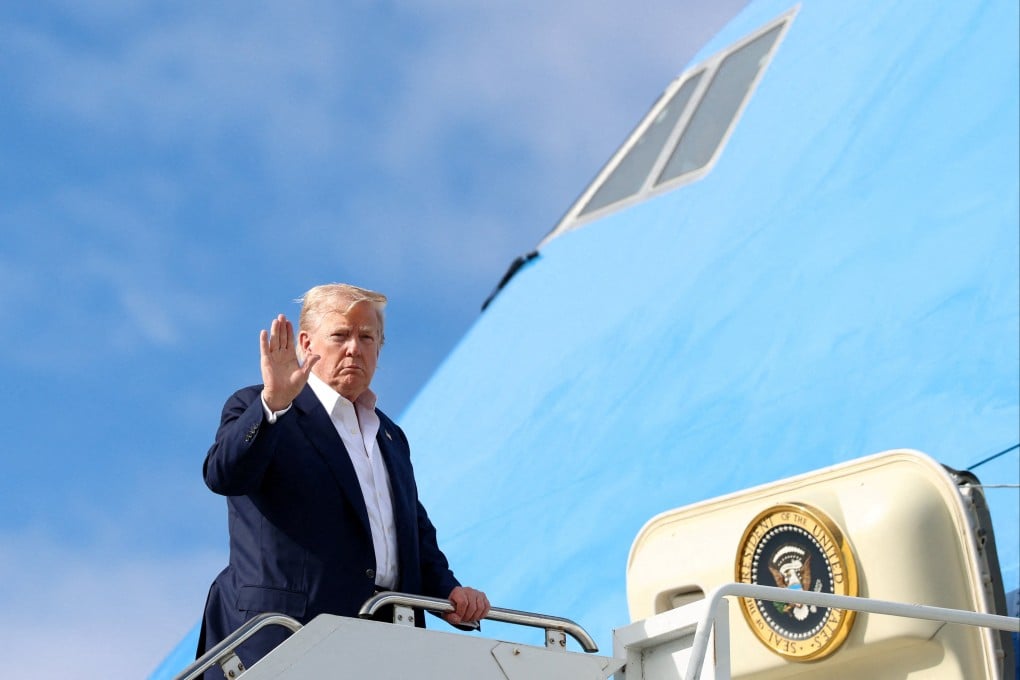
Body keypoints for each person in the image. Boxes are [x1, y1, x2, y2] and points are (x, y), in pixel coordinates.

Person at [196, 283, 489, 674]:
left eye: (367, 337)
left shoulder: (390, 436)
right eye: (340, 335)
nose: (354, 348)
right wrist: (273, 404)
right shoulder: (258, 406)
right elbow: (225, 475)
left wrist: (448, 591)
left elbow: (408, 535)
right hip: (284, 639)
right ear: (305, 343)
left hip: (385, 642)